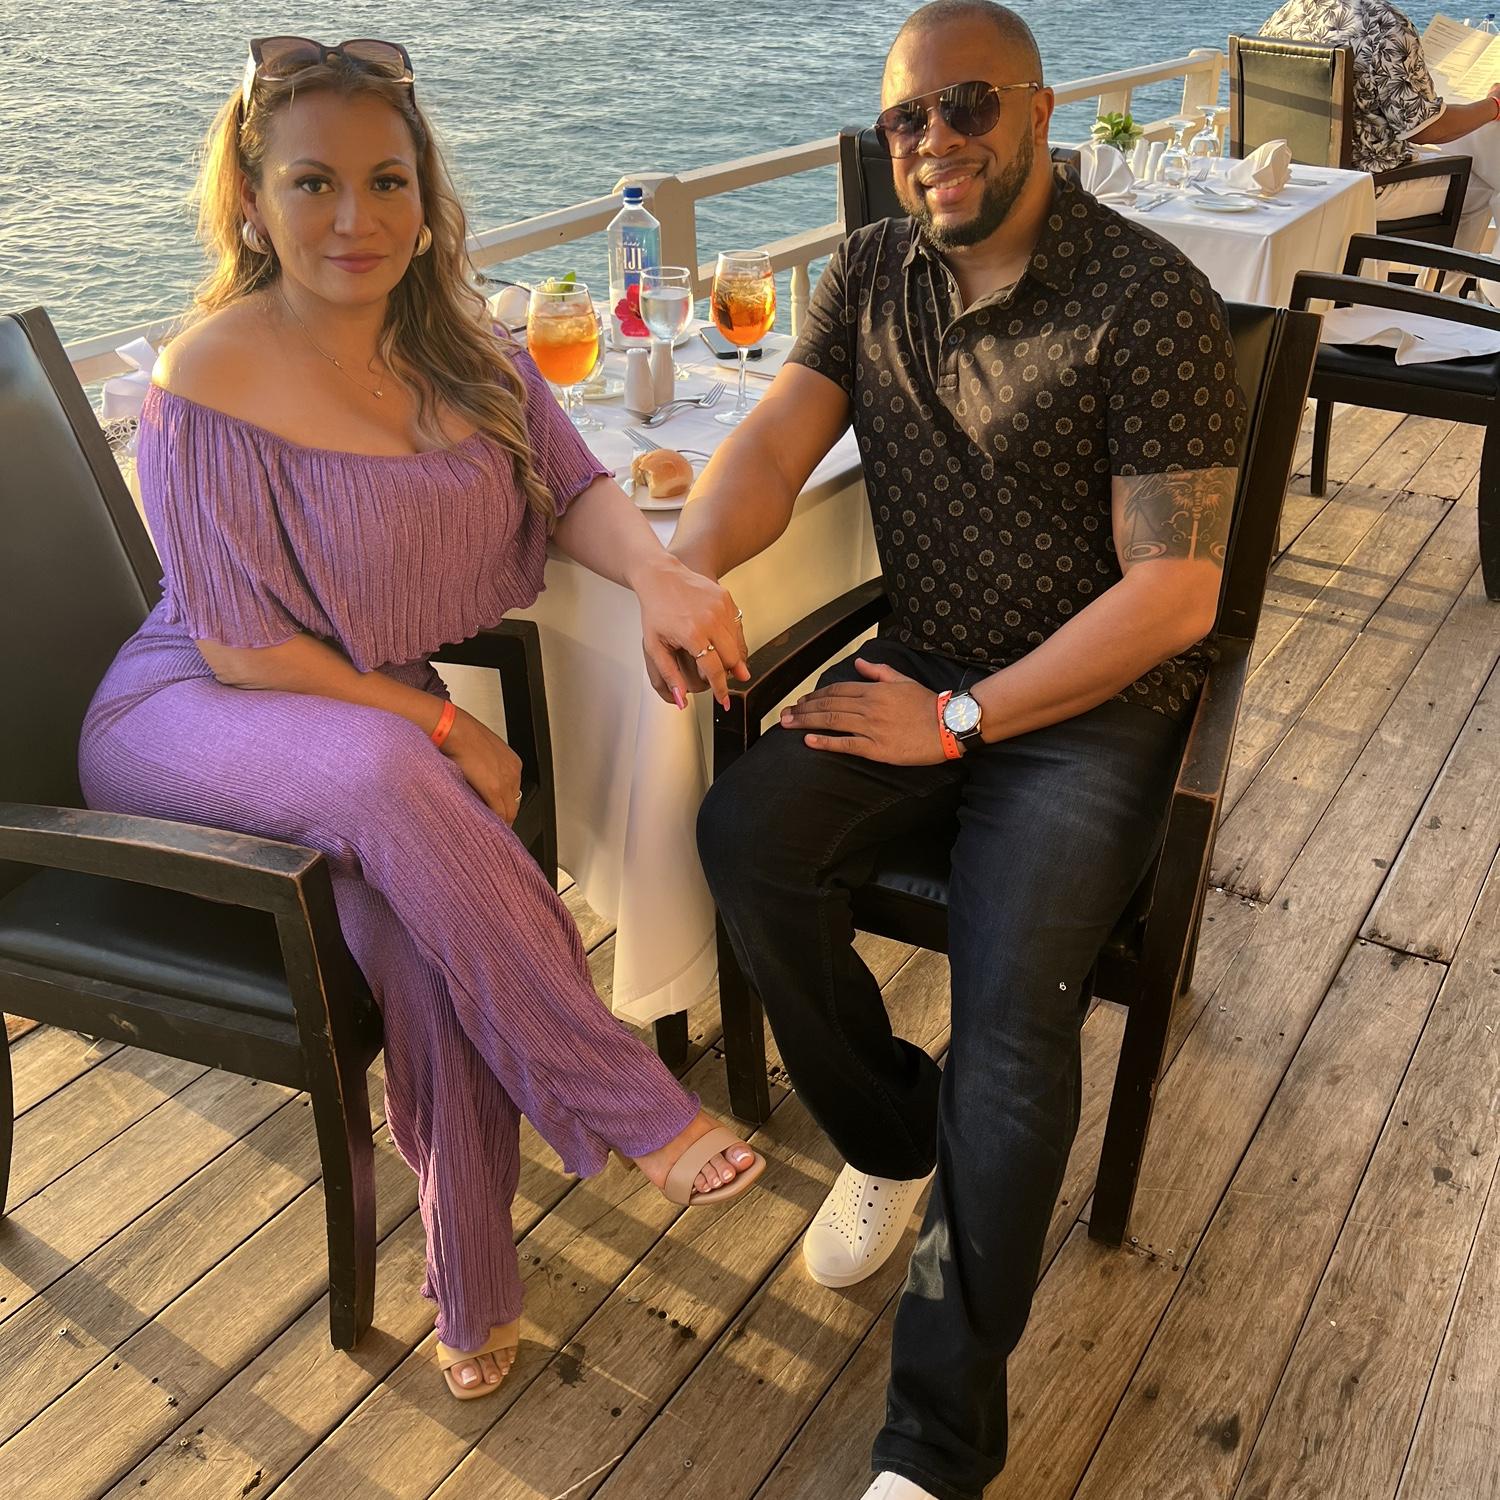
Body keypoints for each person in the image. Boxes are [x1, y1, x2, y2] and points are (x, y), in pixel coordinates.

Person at [77, 36, 764, 1403]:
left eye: (386, 180)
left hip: (358, 729)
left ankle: (472, 1282)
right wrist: (450, 733)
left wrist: (660, 575)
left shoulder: (468, 347)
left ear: (425, 192)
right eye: (313, 182)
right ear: (251, 202)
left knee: (431, 942)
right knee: (405, 768)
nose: (356, 217)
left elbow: (577, 491)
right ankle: (632, 1103)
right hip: (196, 706)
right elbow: (240, 646)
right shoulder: (206, 376)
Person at [680, 4, 1245, 1496]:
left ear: (1041, 110)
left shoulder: (1148, 298)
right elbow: (773, 450)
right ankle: (891, 1131)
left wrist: (964, 722)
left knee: (1012, 1021)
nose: (934, 139)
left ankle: (932, 1449)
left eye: (968, 105)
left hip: (1090, 717)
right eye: (905, 119)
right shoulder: (872, 272)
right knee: (744, 836)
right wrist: (683, 565)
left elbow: (1176, 595)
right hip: (927, 665)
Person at [1260, 0, 1500, 252]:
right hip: (1363, 187)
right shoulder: (1385, 23)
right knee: (1480, 183)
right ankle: (1446, 278)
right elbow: (1426, 129)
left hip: (1292, 178)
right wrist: (1493, 105)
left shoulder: (1288, 14)